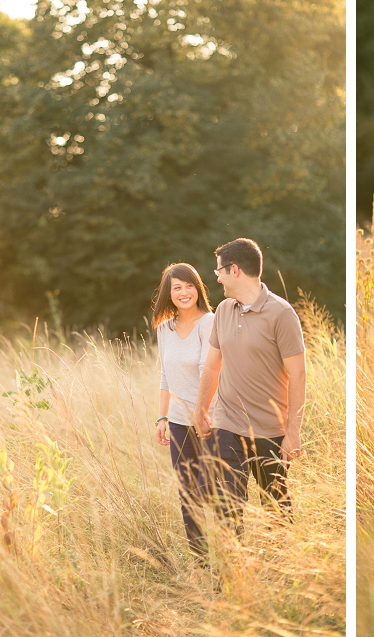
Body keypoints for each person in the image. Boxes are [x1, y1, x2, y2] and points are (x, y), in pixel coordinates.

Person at [192, 238, 306, 537]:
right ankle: (235, 573)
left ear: (235, 270)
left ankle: (285, 566)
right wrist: (201, 410)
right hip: (227, 424)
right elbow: (213, 365)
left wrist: (292, 432)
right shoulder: (224, 311)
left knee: (276, 507)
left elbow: (298, 374)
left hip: (270, 429)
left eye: (219, 271)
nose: (215, 276)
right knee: (228, 504)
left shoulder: (281, 314)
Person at [151, 262, 216, 559]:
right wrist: (163, 416)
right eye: (177, 287)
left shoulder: (209, 322)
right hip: (178, 423)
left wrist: (203, 414)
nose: (184, 292)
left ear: (198, 288)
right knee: (187, 496)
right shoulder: (164, 329)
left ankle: (227, 553)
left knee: (210, 490)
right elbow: (165, 374)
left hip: (210, 421)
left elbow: (208, 370)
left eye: (189, 285)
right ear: (169, 293)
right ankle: (200, 561)